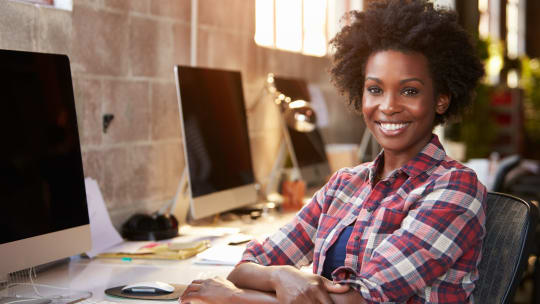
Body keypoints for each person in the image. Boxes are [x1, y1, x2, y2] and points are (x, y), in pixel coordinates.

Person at [180, 0, 486, 303]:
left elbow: (358, 300)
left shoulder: (456, 188)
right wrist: (280, 276)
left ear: (441, 99)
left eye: (409, 90)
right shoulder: (344, 184)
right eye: (375, 89)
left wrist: (232, 297)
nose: (388, 106)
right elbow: (250, 264)